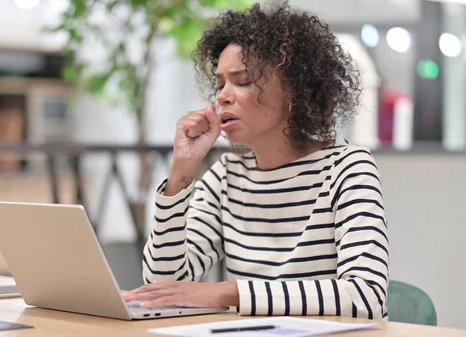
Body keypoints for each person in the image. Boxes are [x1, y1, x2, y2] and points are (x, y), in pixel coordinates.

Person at [123, 2, 388, 320]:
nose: (222, 96)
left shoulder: (347, 168)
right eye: (220, 83)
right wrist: (182, 169)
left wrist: (227, 292)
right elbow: (162, 288)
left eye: (243, 80)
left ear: (295, 87)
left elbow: (365, 295)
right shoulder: (226, 176)